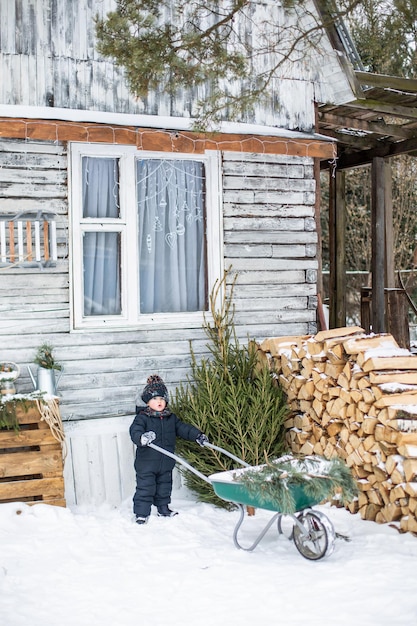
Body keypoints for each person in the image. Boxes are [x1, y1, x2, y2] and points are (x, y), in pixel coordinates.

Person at [129, 374, 209, 524]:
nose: (159, 402)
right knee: (145, 488)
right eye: (154, 399)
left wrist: (198, 435)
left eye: (161, 399)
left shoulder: (170, 418)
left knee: (164, 487)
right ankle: (141, 513)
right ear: (147, 402)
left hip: (165, 461)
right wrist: (142, 438)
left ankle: (163, 508)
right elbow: (135, 431)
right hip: (147, 463)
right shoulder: (143, 417)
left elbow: (183, 429)